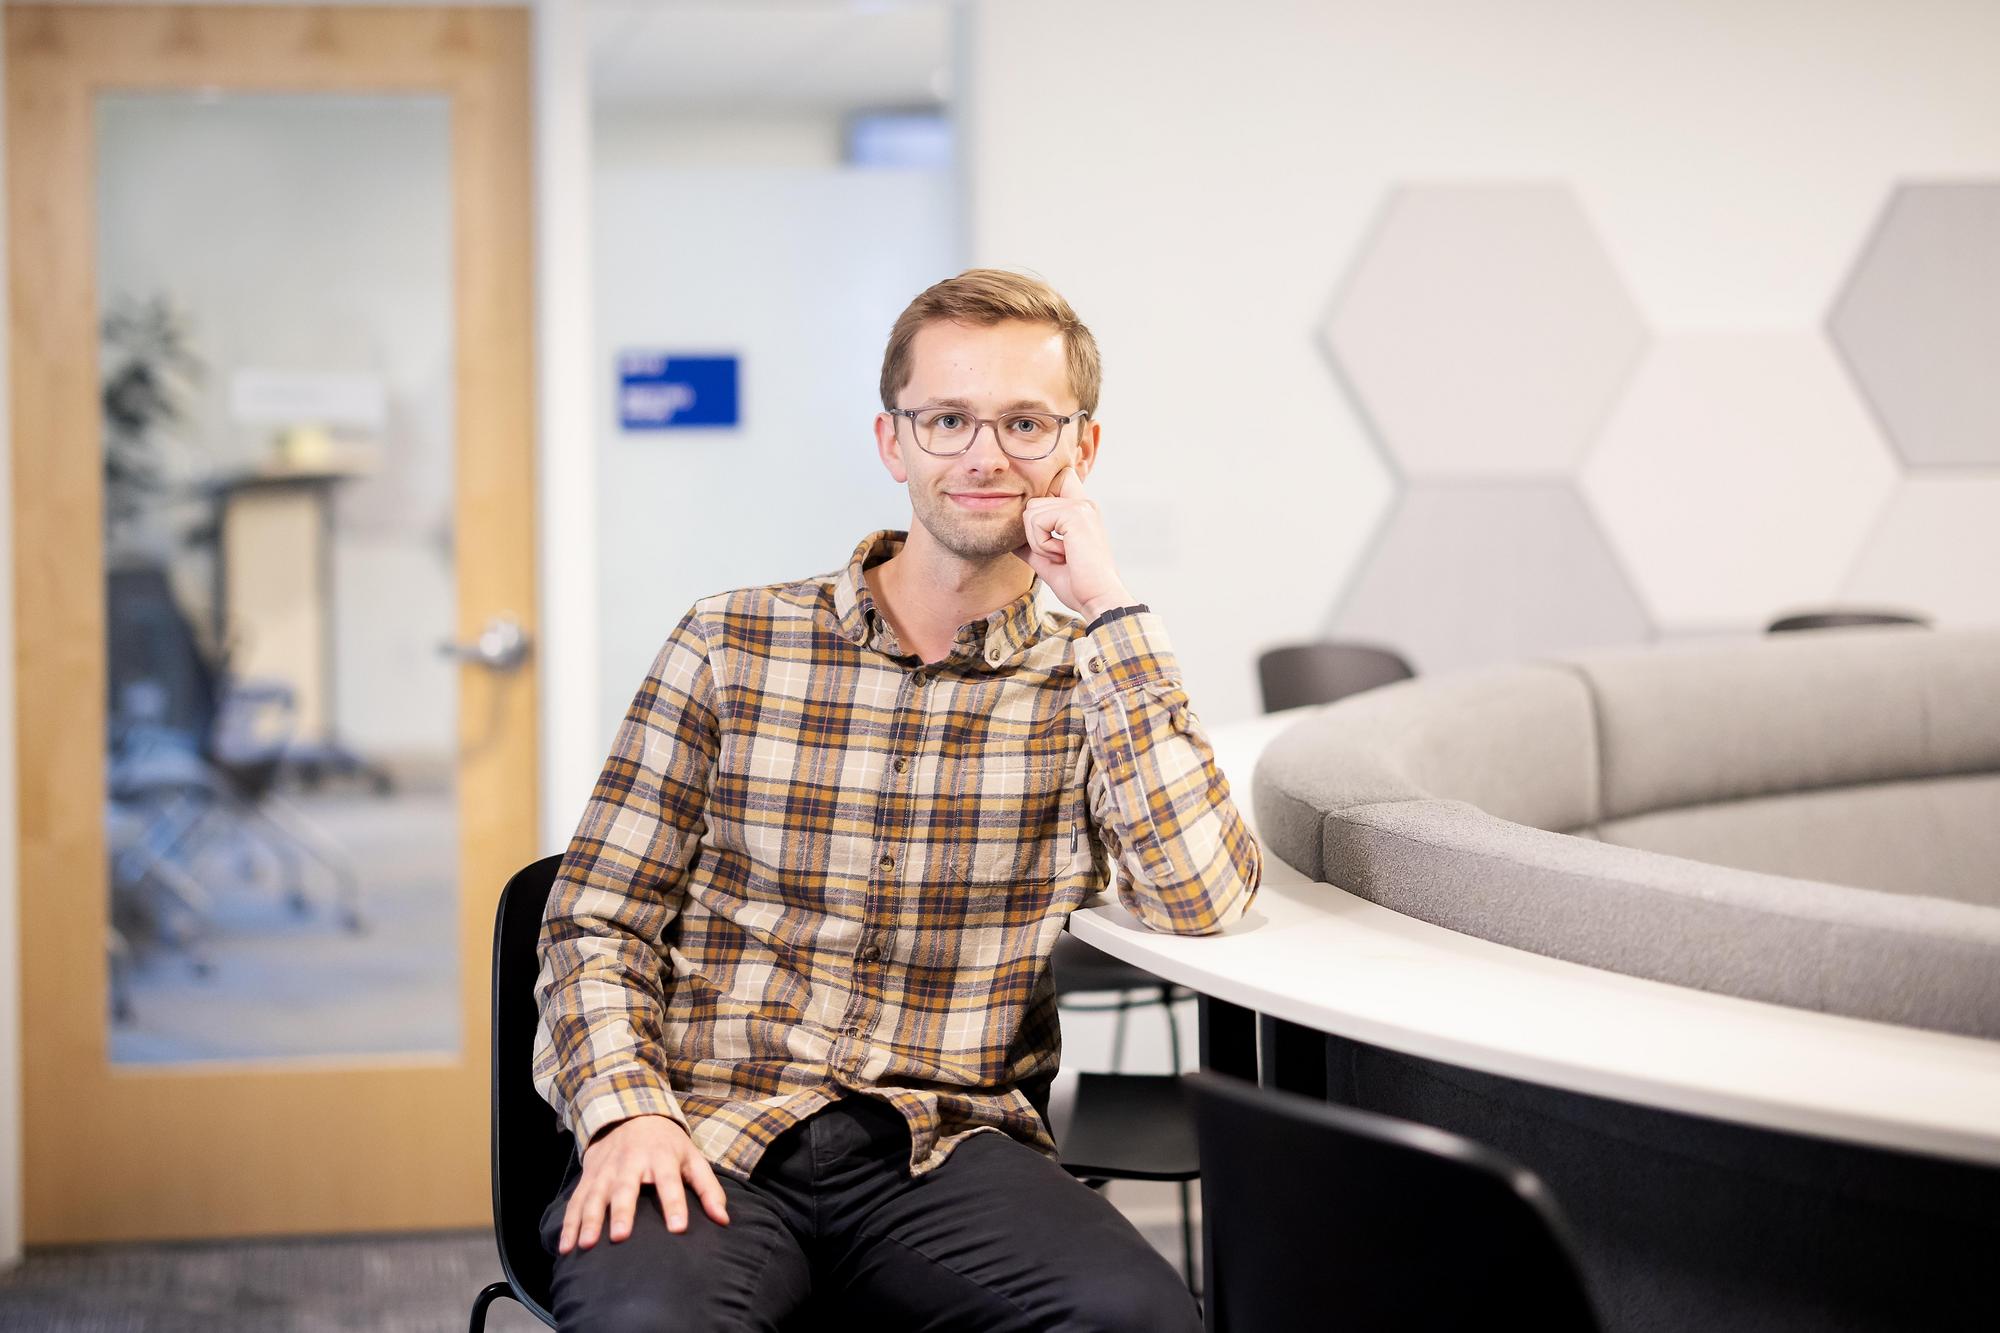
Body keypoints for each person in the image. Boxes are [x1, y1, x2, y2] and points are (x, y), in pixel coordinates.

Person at [531, 268, 1262, 1331]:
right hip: (706, 1130)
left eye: (1024, 422)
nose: (984, 454)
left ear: (1080, 450)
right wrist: (624, 1114)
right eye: (947, 420)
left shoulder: (1086, 682)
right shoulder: (730, 642)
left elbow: (1199, 898)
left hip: (948, 1148)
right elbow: (596, 917)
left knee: (1134, 1320)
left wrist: (1107, 606)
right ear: (892, 443)